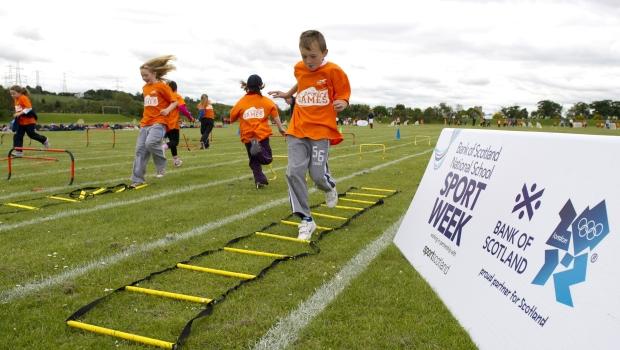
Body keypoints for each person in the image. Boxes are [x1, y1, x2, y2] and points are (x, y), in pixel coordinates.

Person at [269, 30, 350, 240]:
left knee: (317, 175)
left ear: (324, 52)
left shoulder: (334, 71)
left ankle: (329, 186)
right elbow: (302, 80)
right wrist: (289, 94)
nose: (308, 61)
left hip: (321, 131)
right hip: (297, 129)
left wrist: (343, 101)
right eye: (304, 56)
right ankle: (306, 219)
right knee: (293, 171)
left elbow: (343, 92)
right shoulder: (300, 68)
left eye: (313, 56)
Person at [229, 74, 286, 189]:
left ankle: (259, 181)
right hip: (261, 134)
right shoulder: (267, 101)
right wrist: (280, 128)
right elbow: (275, 116)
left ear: (247, 86)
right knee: (267, 158)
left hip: (247, 136)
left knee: (253, 161)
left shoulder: (241, 102)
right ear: (261, 86)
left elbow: (232, 118)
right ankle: (259, 151)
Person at [130, 55, 178, 187]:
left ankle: (161, 165)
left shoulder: (162, 86)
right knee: (140, 150)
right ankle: (137, 180)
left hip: (159, 122)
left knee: (151, 143)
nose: (144, 78)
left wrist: (167, 110)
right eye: (142, 76)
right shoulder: (145, 88)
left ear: (154, 73)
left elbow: (175, 102)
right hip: (145, 123)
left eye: (146, 75)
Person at [9, 85, 49, 157]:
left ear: (19, 92)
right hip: (21, 122)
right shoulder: (16, 99)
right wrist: (16, 115)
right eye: (11, 94)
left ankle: (44, 140)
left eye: (13, 93)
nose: (12, 95)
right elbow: (19, 109)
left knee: (31, 135)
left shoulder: (23, 98)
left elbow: (29, 108)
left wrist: (19, 113)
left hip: (29, 121)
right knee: (18, 135)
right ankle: (19, 152)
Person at [163, 81, 195, 167]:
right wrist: (190, 118)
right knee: (175, 142)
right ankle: (162, 148)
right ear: (176, 88)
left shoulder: (165, 97)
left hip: (164, 122)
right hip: (173, 123)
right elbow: (183, 109)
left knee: (171, 142)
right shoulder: (177, 96)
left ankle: (176, 160)